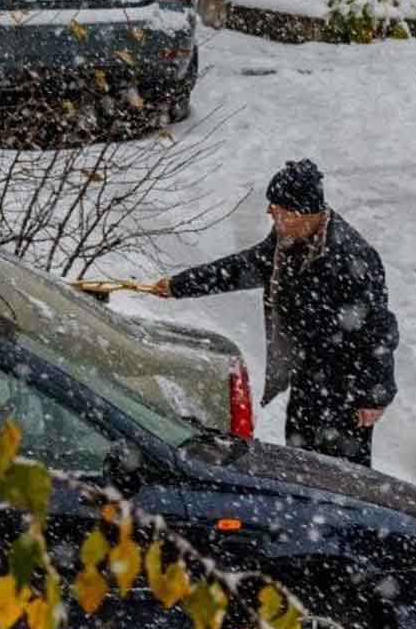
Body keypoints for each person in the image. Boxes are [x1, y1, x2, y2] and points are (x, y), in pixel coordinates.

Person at [144, 160, 398, 467]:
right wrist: (179, 286)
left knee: (342, 475)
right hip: (307, 376)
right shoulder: (286, 243)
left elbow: (377, 329)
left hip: (343, 388)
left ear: (302, 213)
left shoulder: (351, 257)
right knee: (301, 462)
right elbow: (241, 268)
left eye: (278, 209)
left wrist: (373, 395)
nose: (270, 214)